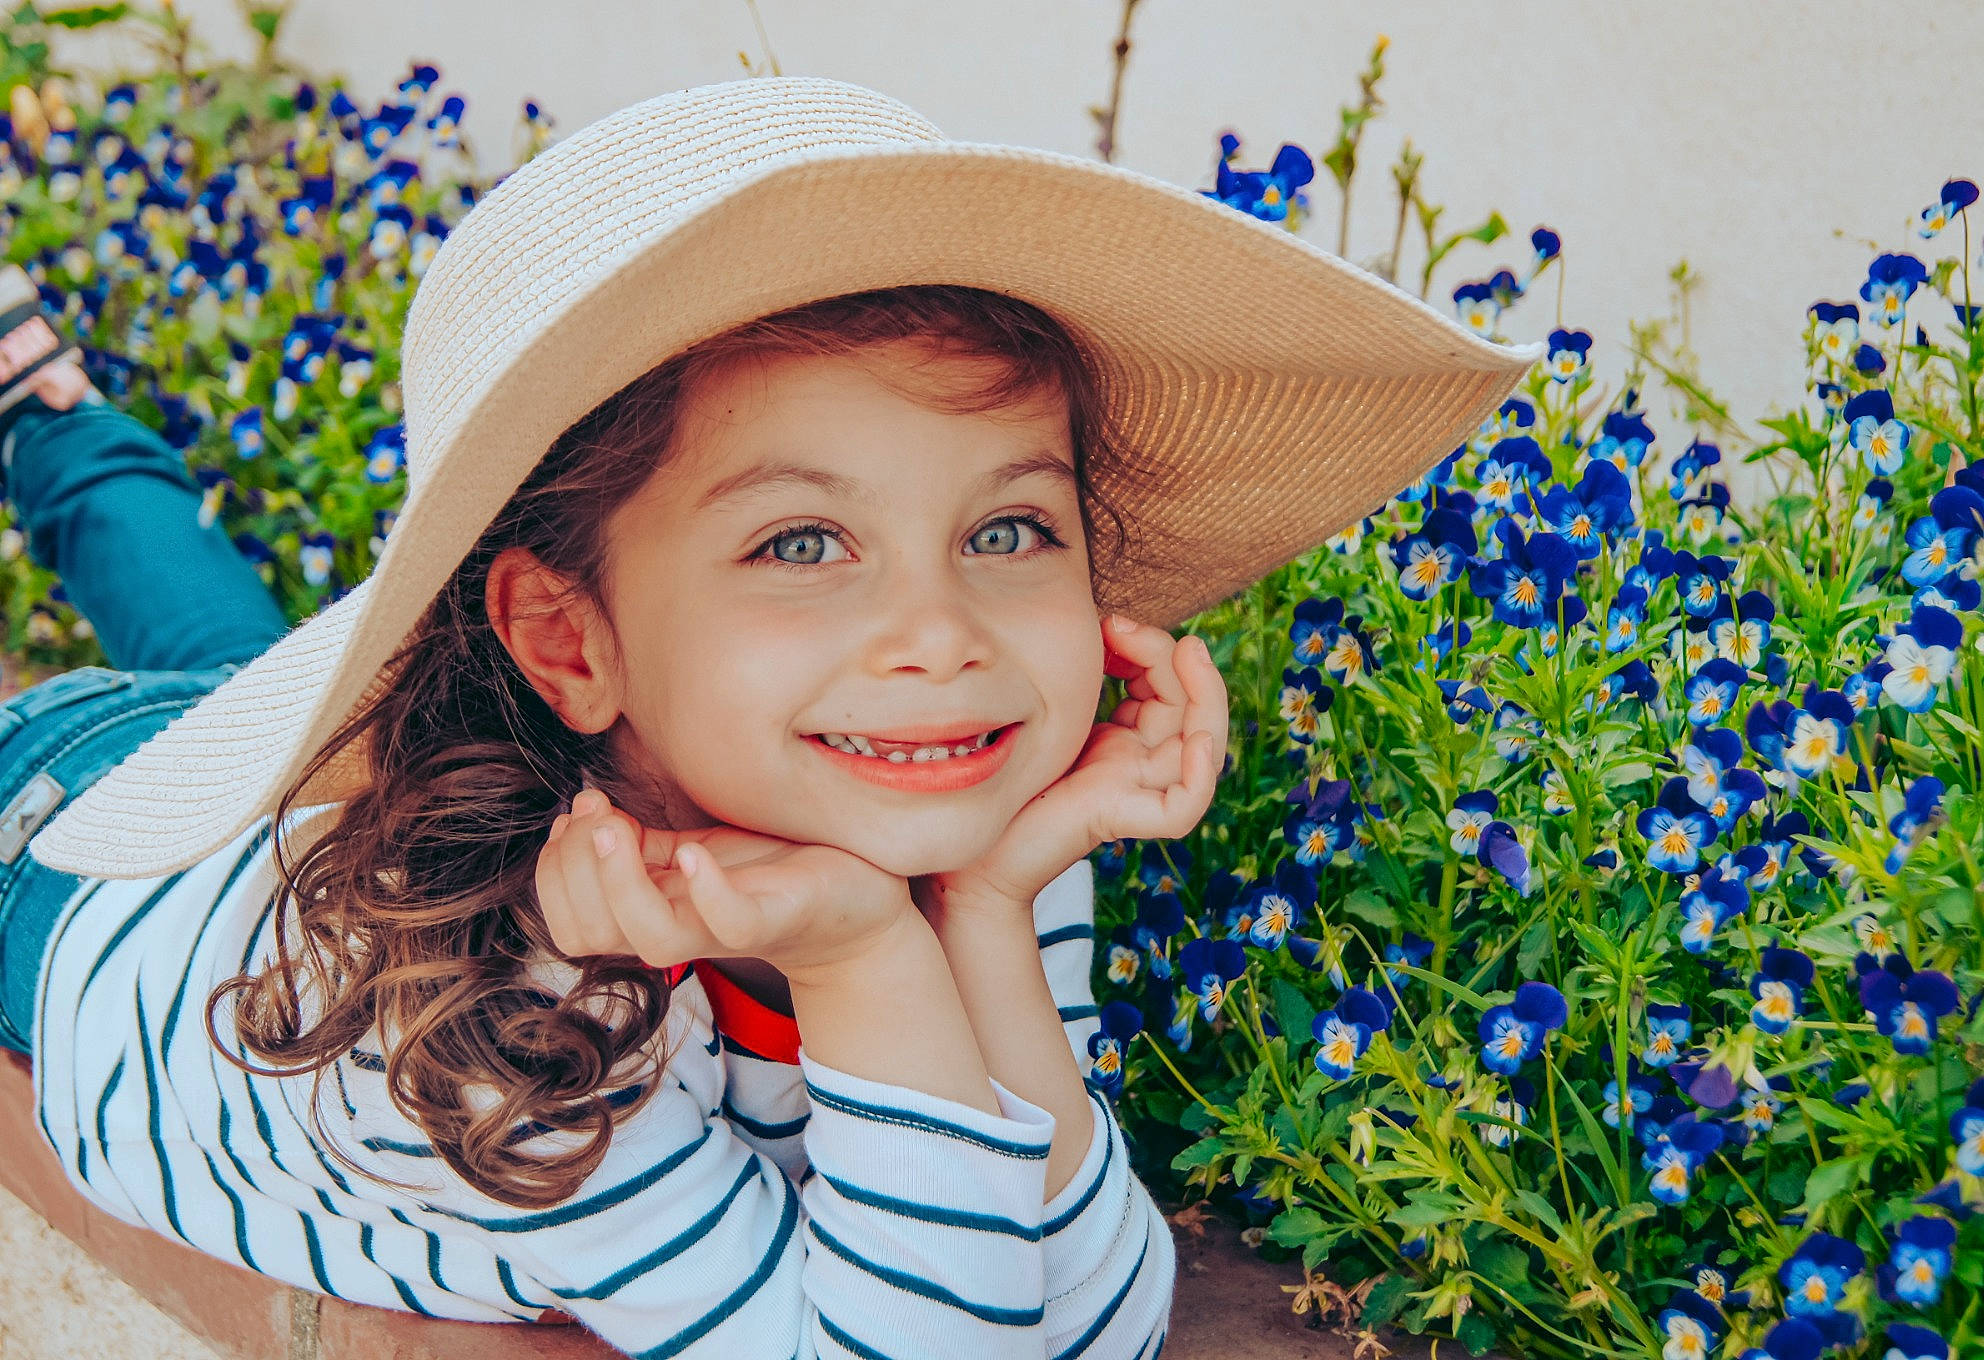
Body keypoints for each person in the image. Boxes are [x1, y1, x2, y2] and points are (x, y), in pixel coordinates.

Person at [0, 77, 1536, 1358]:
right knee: (191, 688)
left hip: (310, 808)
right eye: (803, 545)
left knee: (215, 648)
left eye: (1007, 532)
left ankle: (43, 407)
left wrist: (987, 911)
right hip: (73, 885)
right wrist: (869, 952)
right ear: (566, 638)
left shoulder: (954, 810)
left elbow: (1093, 1321)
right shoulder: (496, 1011)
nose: (941, 638)